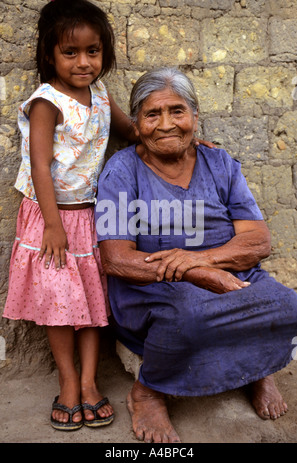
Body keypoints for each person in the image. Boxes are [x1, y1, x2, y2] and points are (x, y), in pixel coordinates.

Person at [95, 67, 297, 443]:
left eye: (177, 111)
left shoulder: (220, 163)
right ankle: (149, 391)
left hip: (231, 274)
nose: (166, 124)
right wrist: (188, 274)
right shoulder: (121, 171)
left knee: (292, 307)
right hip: (154, 288)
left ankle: (258, 370)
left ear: (195, 117)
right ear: (137, 124)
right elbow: (115, 259)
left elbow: (257, 242)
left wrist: (199, 260)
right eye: (152, 114)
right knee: (189, 317)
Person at [2, 0, 140, 431]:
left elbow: (129, 131)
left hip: (89, 217)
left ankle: (89, 382)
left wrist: (178, 137)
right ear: (50, 54)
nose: (84, 62)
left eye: (93, 51)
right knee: (61, 306)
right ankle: (67, 382)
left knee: (91, 302)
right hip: (52, 220)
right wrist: (54, 225)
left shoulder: (100, 94)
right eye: (70, 52)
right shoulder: (47, 102)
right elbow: (40, 165)